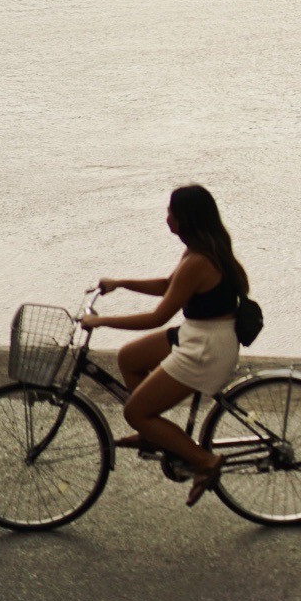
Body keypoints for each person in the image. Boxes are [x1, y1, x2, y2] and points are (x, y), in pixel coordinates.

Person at [79, 183, 249, 506]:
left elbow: (158, 317)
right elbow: (169, 286)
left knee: (135, 411)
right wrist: (121, 283)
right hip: (199, 333)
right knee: (129, 358)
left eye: (171, 211)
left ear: (185, 218)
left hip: (206, 348)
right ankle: (152, 433)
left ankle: (205, 461)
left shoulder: (199, 261)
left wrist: (100, 322)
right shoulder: (198, 252)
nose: (167, 217)